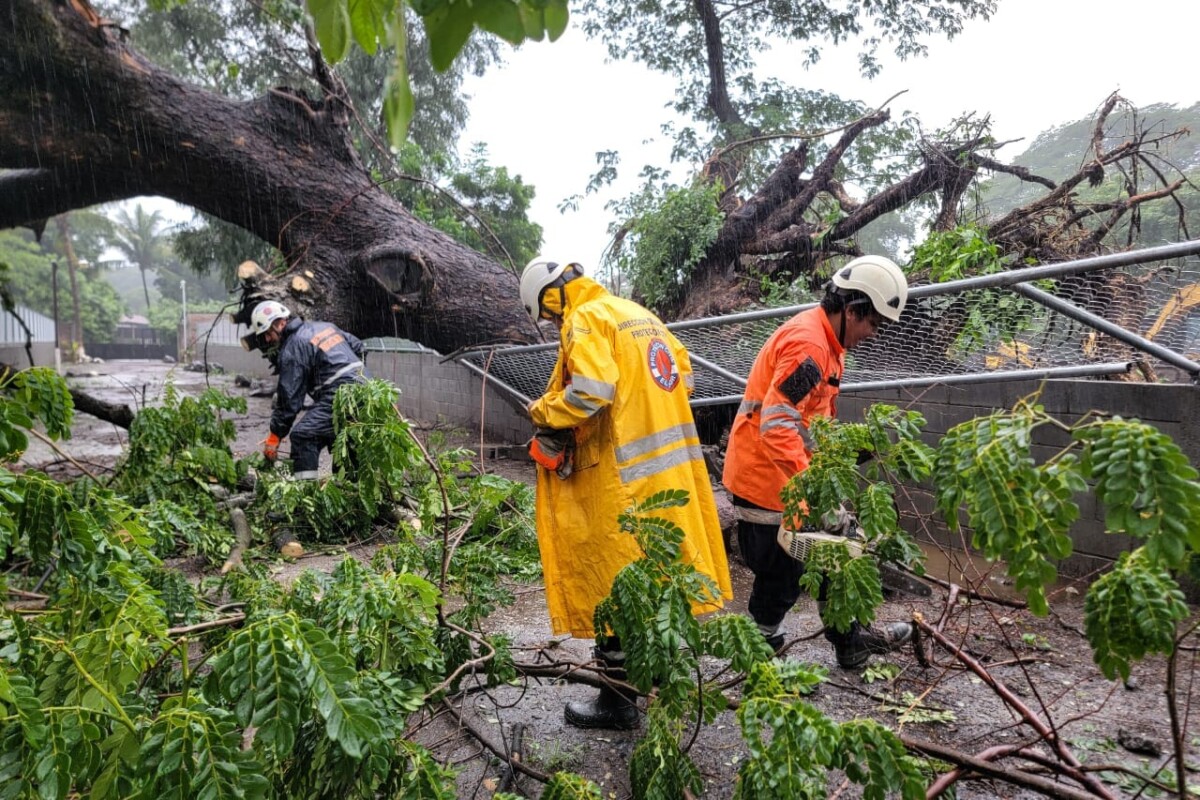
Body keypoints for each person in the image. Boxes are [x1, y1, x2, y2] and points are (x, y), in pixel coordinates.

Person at [520, 257, 733, 730]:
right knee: (656, 581)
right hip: (667, 479)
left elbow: (591, 392)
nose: (554, 323)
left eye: (548, 315)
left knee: (613, 589)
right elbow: (685, 377)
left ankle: (618, 704)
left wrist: (543, 410)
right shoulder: (639, 314)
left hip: (620, 480)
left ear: (550, 297)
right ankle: (653, 681)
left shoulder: (586, 318)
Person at [722, 255, 913, 670]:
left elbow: (811, 422)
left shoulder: (830, 344)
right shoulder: (809, 345)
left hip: (791, 475)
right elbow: (776, 426)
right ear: (851, 310)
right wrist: (816, 491)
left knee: (834, 555)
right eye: (873, 324)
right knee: (783, 572)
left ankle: (851, 638)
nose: (873, 334)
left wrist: (842, 453)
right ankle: (758, 655)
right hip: (767, 479)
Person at [250, 301, 368, 553]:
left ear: (279, 324)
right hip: (365, 390)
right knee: (344, 441)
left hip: (340, 394)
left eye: (268, 334)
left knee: (304, 436)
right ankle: (350, 505)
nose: (269, 340)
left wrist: (275, 436)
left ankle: (306, 501)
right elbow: (358, 345)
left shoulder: (293, 347)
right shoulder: (323, 326)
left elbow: (289, 400)